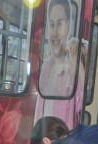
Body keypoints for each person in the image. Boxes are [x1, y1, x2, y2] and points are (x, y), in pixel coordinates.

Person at [35, 0, 85, 128]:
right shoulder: (46, 67)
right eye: (51, 24)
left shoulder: (73, 65)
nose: (54, 32)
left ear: (69, 25)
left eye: (60, 24)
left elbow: (82, 105)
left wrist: (75, 60)